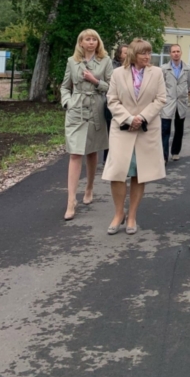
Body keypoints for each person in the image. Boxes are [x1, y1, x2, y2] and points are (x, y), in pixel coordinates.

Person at [102, 38, 167, 235]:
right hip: (123, 128)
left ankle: (132, 216)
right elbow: (112, 100)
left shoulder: (157, 73)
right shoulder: (117, 74)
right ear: (133, 54)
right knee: (117, 172)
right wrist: (129, 119)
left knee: (140, 172)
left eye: (149, 53)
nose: (147, 56)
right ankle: (118, 213)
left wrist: (142, 118)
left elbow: (161, 99)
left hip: (146, 129)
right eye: (143, 53)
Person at [61, 29, 113, 220]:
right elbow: (65, 86)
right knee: (75, 153)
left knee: (91, 151)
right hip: (76, 109)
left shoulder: (105, 61)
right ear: (81, 42)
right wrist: (67, 103)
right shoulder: (72, 61)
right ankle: (71, 200)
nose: (91, 42)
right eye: (87, 39)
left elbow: (112, 86)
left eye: (94, 39)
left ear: (98, 43)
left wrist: (95, 81)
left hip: (96, 108)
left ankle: (89, 187)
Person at [161, 44, 190, 164]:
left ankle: (175, 152)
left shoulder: (188, 68)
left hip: (181, 102)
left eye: (178, 51)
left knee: (179, 128)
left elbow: (188, 83)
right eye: (173, 51)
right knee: (165, 129)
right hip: (168, 102)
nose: (176, 54)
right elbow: (161, 85)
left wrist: (182, 93)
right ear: (170, 53)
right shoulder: (164, 68)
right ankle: (164, 156)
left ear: (181, 53)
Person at [102, 44, 129, 165]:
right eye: (125, 53)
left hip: (127, 105)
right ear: (119, 54)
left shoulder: (132, 67)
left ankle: (123, 160)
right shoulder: (112, 67)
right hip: (111, 104)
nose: (127, 55)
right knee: (110, 132)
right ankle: (107, 159)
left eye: (129, 53)